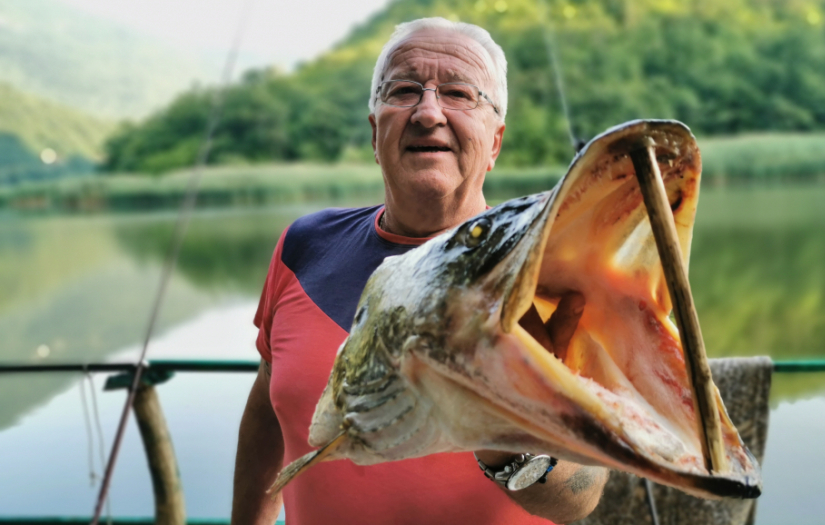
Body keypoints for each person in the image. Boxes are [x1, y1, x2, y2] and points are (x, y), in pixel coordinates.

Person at [231, 17, 608, 525]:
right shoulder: (304, 247)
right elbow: (269, 406)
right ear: (374, 130)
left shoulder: (547, 271)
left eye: (458, 93)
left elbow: (582, 494)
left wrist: (503, 434)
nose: (428, 113)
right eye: (404, 90)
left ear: (494, 143)